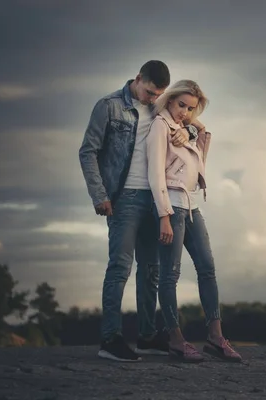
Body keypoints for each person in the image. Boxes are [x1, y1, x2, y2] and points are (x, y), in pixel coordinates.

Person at [78, 60, 193, 362]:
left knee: (151, 269)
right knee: (119, 267)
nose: (153, 99)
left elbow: (186, 121)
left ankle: (146, 336)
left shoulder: (160, 109)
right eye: (150, 92)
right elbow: (88, 151)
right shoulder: (109, 106)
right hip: (124, 198)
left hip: (156, 198)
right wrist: (99, 194)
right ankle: (110, 339)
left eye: (159, 94)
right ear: (138, 78)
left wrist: (188, 133)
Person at [147, 80, 242, 363]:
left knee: (207, 269)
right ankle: (175, 339)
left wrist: (193, 126)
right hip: (171, 209)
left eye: (191, 108)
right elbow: (155, 174)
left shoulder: (184, 130)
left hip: (192, 208)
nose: (184, 112)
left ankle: (216, 337)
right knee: (170, 275)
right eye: (181, 105)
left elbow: (201, 160)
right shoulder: (160, 127)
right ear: (170, 100)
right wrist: (164, 215)